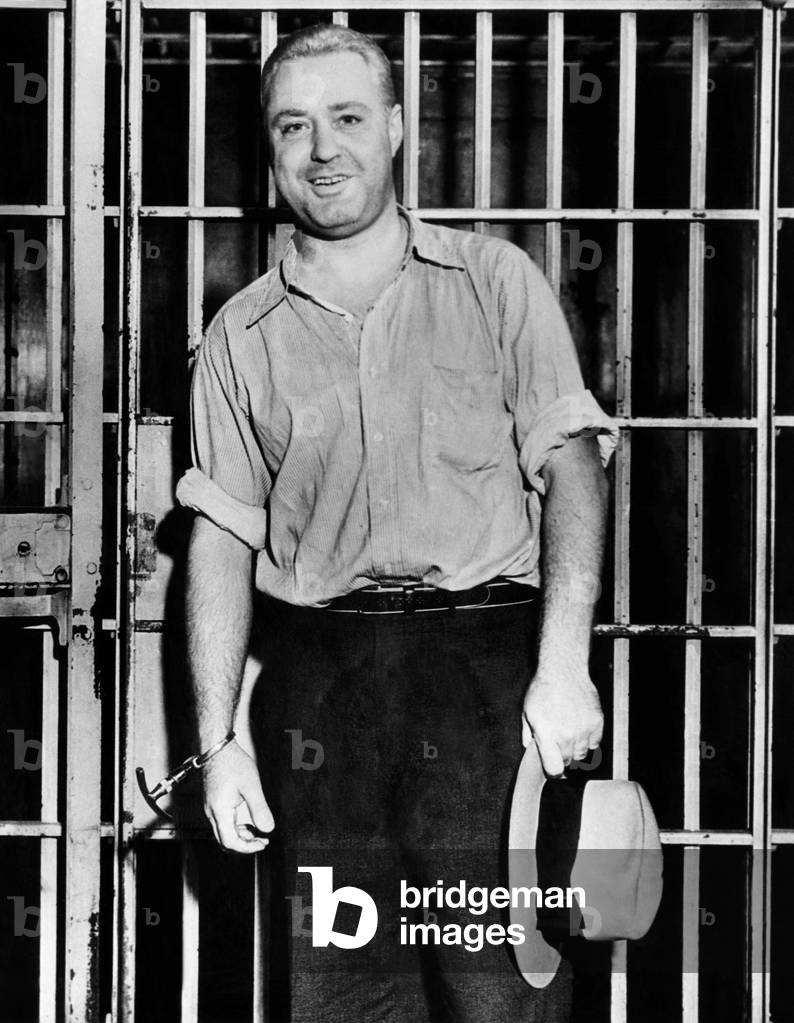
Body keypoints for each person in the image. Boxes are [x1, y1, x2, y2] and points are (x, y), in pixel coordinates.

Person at [177, 22, 616, 1022]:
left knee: (501, 990)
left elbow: (572, 466)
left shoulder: (493, 282)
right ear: (271, 151)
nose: (321, 148)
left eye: (345, 118)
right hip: (320, 687)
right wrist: (221, 743)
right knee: (343, 997)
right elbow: (221, 536)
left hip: (485, 674)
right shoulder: (239, 333)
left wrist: (562, 664)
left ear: (396, 131)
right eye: (294, 126)